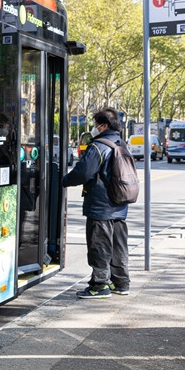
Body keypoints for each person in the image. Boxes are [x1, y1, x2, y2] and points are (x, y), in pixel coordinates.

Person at [62, 107, 130, 299]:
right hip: (119, 204)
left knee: (99, 246)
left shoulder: (99, 146)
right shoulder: (121, 144)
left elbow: (83, 172)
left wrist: (64, 180)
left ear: (104, 125)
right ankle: (121, 283)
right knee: (118, 246)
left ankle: (99, 286)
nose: (94, 128)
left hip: (100, 206)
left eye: (96, 124)